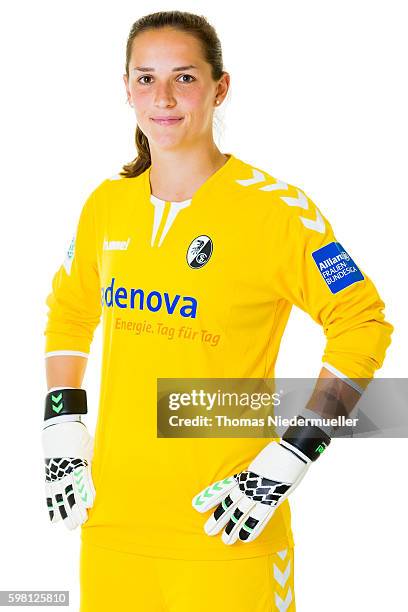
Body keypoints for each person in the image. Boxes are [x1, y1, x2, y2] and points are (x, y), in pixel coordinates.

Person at [42, 10, 393, 612]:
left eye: (184, 77)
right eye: (146, 79)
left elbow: (362, 324)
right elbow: (71, 312)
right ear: (125, 88)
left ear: (219, 87)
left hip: (228, 519)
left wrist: (295, 451)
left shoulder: (277, 212)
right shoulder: (106, 205)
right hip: (112, 524)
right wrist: (61, 426)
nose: (164, 97)